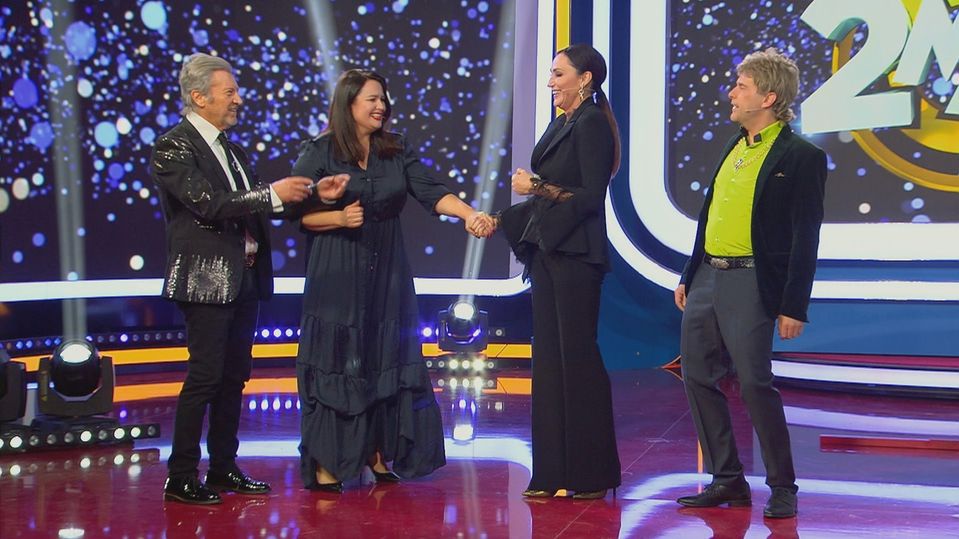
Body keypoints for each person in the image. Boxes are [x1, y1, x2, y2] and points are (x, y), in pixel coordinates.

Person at [152, 53, 348, 505]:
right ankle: (181, 475)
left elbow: (257, 204)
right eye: (230, 92)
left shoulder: (232, 150)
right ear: (199, 97)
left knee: (234, 377)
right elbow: (210, 204)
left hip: (244, 279)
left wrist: (312, 193)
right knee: (205, 377)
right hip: (205, 282)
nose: (238, 99)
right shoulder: (174, 147)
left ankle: (223, 466)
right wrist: (270, 192)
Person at [290, 69, 494, 493]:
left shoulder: (394, 150)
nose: (381, 106)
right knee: (339, 357)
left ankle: (376, 451)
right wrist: (337, 217)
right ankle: (328, 460)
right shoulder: (320, 151)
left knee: (384, 354)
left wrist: (468, 214)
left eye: (383, 99)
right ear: (348, 104)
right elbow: (296, 213)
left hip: (387, 270)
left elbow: (431, 191)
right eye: (372, 99)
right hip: (337, 269)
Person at [673, 48, 827, 519]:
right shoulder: (735, 145)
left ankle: (782, 485)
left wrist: (793, 305)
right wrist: (689, 274)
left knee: (756, 383)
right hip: (707, 276)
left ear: (769, 97)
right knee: (697, 375)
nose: (731, 94)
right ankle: (727, 478)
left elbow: (806, 235)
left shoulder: (802, 156)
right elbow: (711, 216)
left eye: (741, 86)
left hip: (751, 279)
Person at [495, 44, 621, 500]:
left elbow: (588, 197)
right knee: (548, 361)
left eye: (558, 73)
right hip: (549, 253)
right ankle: (551, 472)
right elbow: (550, 196)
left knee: (577, 358)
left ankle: (590, 474)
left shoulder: (591, 124)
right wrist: (504, 218)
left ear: (585, 79)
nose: (550, 82)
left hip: (577, 256)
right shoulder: (562, 122)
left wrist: (537, 186)